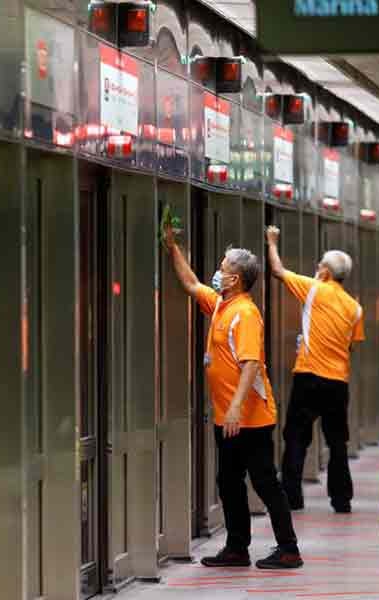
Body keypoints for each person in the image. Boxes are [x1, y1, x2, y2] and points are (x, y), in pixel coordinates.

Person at [161, 223, 302, 569]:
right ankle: (238, 547)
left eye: (223, 268)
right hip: (228, 416)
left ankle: (289, 549)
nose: (217, 272)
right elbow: (192, 284)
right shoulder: (223, 305)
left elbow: (252, 363)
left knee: (265, 482)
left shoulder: (246, 314)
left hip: (249, 417)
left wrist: (237, 407)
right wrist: (172, 247)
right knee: (229, 482)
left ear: (235, 278)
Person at [265, 226, 365, 514]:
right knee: (337, 441)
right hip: (337, 382)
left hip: (308, 375)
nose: (316, 268)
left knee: (296, 436)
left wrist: (272, 241)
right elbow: (351, 346)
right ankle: (341, 500)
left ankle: (292, 497)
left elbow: (278, 270)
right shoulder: (355, 307)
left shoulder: (313, 289)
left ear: (325, 271)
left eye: (319, 264)